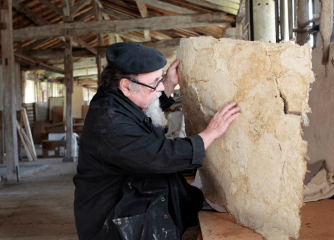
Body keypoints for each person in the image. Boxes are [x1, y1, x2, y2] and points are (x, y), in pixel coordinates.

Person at [73, 42, 240, 240]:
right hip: (115, 217)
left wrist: (168, 83)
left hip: (129, 194)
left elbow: (141, 112)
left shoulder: (118, 98)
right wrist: (211, 132)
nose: (160, 87)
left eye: (160, 78)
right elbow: (159, 155)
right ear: (126, 85)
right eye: (155, 82)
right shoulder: (109, 122)